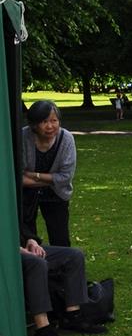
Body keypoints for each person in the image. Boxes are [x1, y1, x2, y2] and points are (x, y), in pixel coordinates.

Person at [21, 235, 107, 336]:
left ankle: (72, 316)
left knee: (74, 255)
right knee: (37, 263)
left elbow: (23, 226)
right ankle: (43, 330)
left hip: (23, 248)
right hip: (7, 253)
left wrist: (31, 241)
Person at [22, 100, 77, 248]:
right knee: (26, 236)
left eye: (54, 120)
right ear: (34, 124)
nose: (50, 126)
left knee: (60, 238)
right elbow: (19, 178)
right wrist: (53, 179)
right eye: (44, 121)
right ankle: (32, 267)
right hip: (26, 194)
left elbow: (65, 177)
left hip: (57, 194)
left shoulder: (66, 139)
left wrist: (34, 175)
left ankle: (62, 269)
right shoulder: (23, 137)